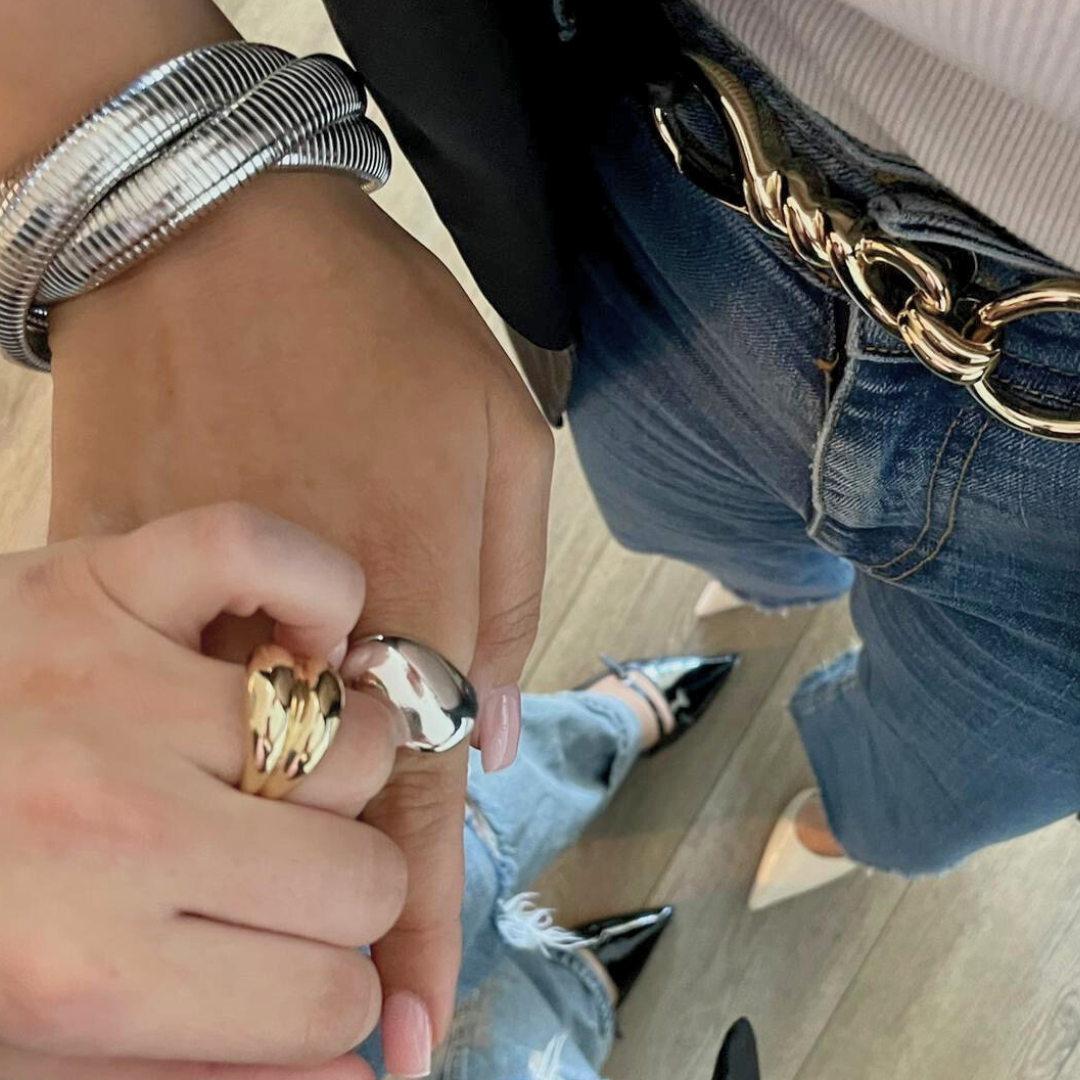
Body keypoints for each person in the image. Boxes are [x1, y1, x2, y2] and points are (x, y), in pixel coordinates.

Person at [4, 0, 1080, 1070]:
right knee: (682, 522)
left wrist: (130, 144)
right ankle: (599, 883)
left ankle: (803, 804)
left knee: (922, 797)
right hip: (683, 143)